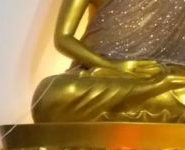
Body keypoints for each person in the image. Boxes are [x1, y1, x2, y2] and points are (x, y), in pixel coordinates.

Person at [32, 0, 185, 123]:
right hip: (103, 73)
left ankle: (148, 95)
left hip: (163, 73)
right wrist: (113, 66)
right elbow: (63, 38)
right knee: (53, 96)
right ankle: (152, 99)